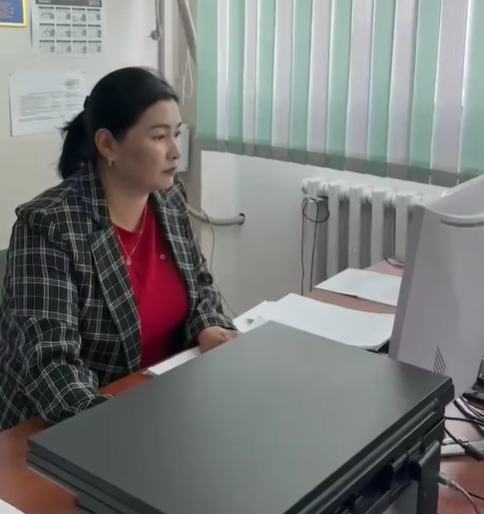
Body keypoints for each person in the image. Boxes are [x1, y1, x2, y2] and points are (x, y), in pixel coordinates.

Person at [0, 67, 237, 431]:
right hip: (64, 428)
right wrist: (115, 427)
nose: (176, 151)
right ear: (108, 145)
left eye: (176, 134)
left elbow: (200, 286)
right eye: (159, 137)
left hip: (166, 402)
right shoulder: (48, 226)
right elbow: (51, 366)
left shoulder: (169, 199)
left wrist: (206, 326)